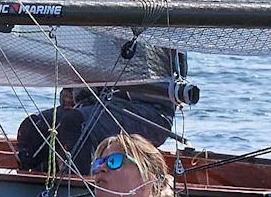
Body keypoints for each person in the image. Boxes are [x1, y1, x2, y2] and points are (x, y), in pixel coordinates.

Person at [16, 46, 187, 175]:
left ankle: (79, 193)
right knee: (34, 126)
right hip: (101, 106)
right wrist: (72, 91)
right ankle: (31, 188)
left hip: (150, 114)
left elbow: (177, 75)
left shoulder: (157, 27)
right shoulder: (104, 28)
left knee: (75, 123)